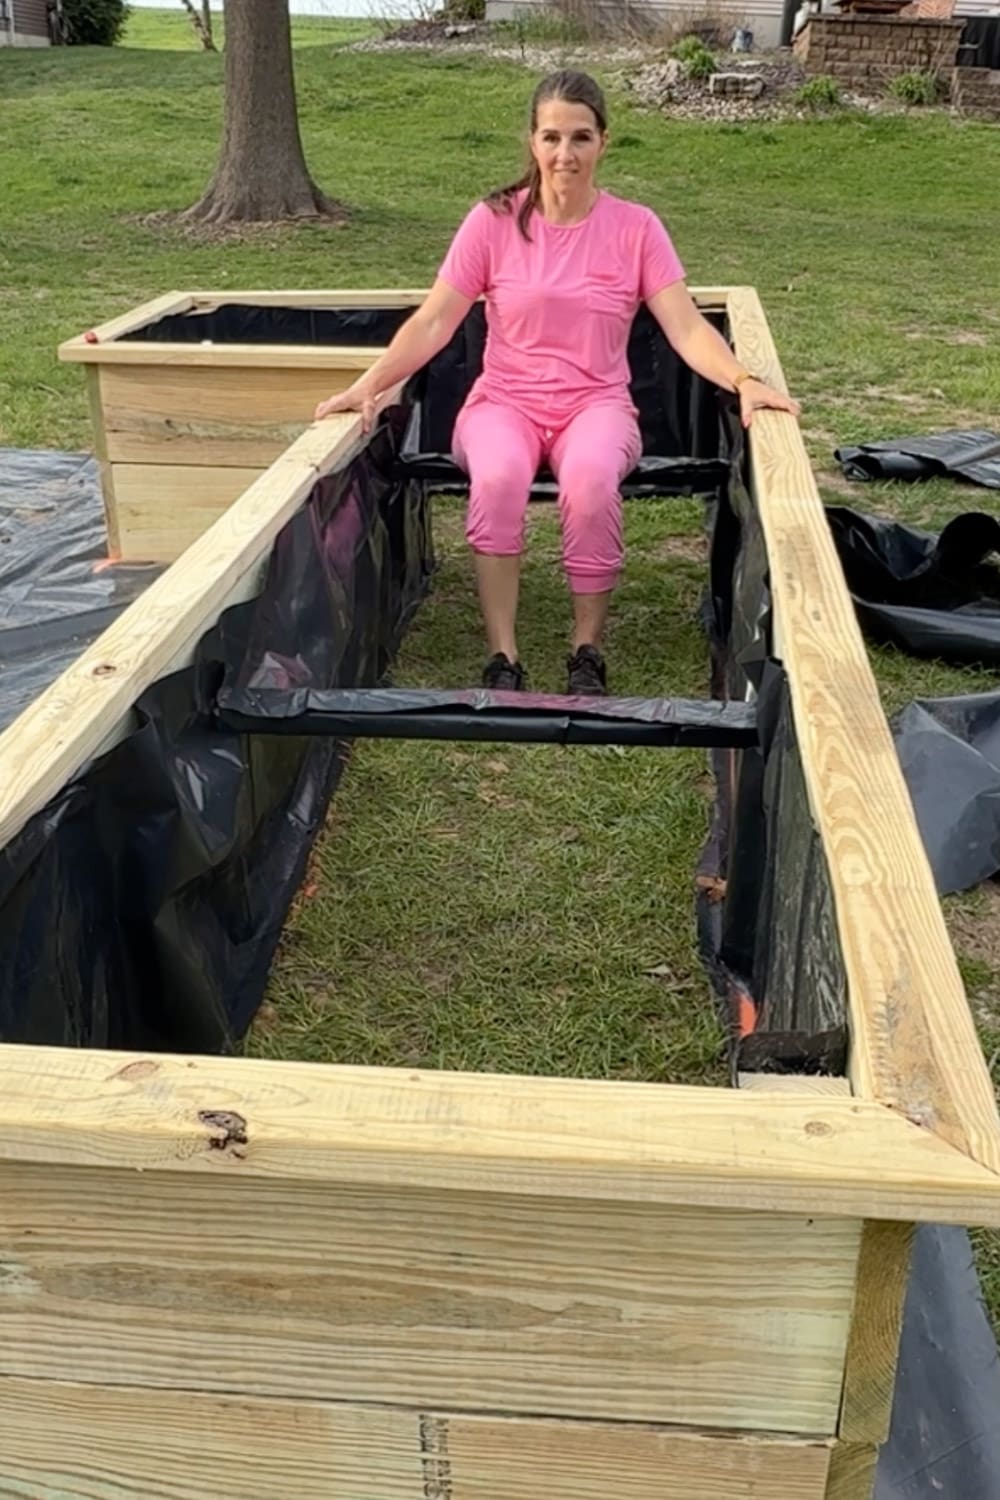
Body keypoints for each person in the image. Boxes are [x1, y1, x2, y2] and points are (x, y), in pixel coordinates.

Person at [315, 69, 800, 696]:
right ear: (532, 141)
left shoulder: (636, 228)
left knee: (592, 483)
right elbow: (435, 318)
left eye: (580, 138)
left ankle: (586, 647)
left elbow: (683, 327)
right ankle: (502, 655)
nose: (564, 155)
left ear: (604, 141)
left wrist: (742, 380)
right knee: (495, 479)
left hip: (596, 405)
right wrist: (371, 383)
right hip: (503, 402)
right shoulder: (493, 221)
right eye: (551, 137)